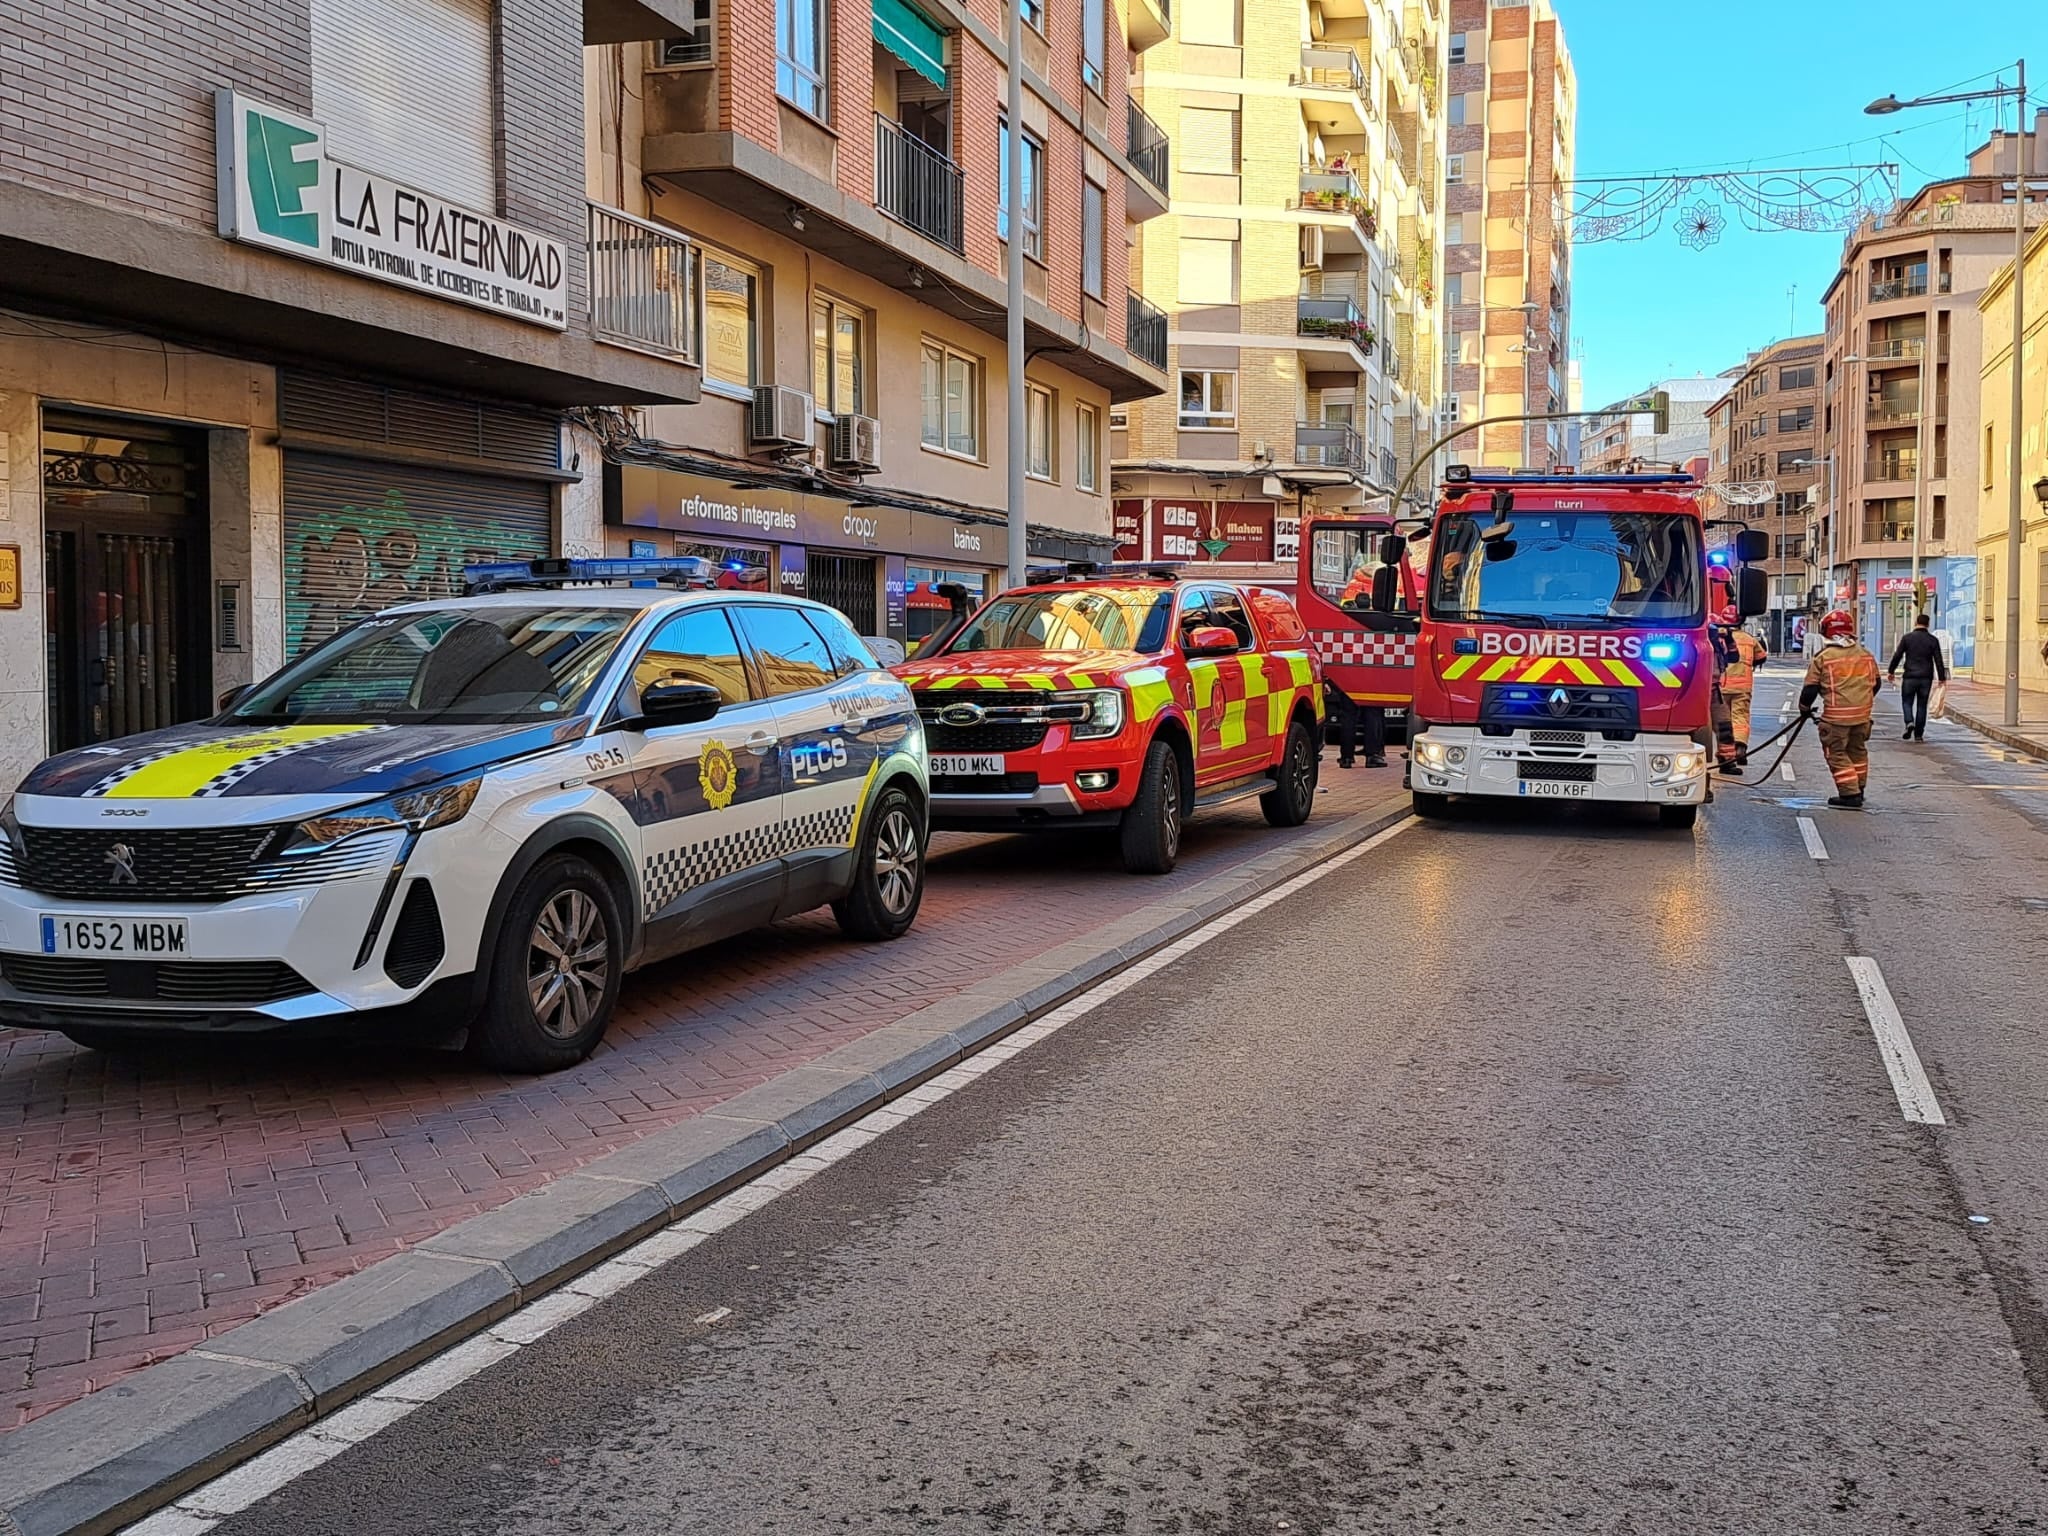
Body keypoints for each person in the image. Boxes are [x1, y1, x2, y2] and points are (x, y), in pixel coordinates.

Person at [1800, 610, 1882, 808]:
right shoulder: (1865, 655)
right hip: (1862, 717)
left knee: (1836, 752)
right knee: (1858, 752)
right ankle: (1859, 788)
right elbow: (1876, 684)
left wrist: (1804, 708)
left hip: (1836, 720)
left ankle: (1849, 794)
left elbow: (1810, 689)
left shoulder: (1824, 658)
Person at [1713, 608, 1768, 775]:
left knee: (1722, 723)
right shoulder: (1749, 640)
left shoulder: (1719, 638)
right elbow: (1762, 657)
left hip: (1721, 686)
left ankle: (1725, 757)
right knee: (1740, 718)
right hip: (1742, 687)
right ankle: (1739, 749)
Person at [1886, 613, 1948, 742]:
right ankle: (1919, 735)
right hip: (1926, 677)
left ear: (1916, 622)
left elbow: (1897, 655)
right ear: (1928, 624)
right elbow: (1938, 659)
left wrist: (1891, 671)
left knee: (1907, 701)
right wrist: (1942, 677)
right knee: (1922, 705)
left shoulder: (1907, 638)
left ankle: (1909, 722)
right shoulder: (1932, 640)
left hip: (1910, 676)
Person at [1325, 680, 1387, 769]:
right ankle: (1371, 755)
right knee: (1372, 714)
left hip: (1348, 680)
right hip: (1371, 681)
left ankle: (1346, 757)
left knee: (1348, 717)